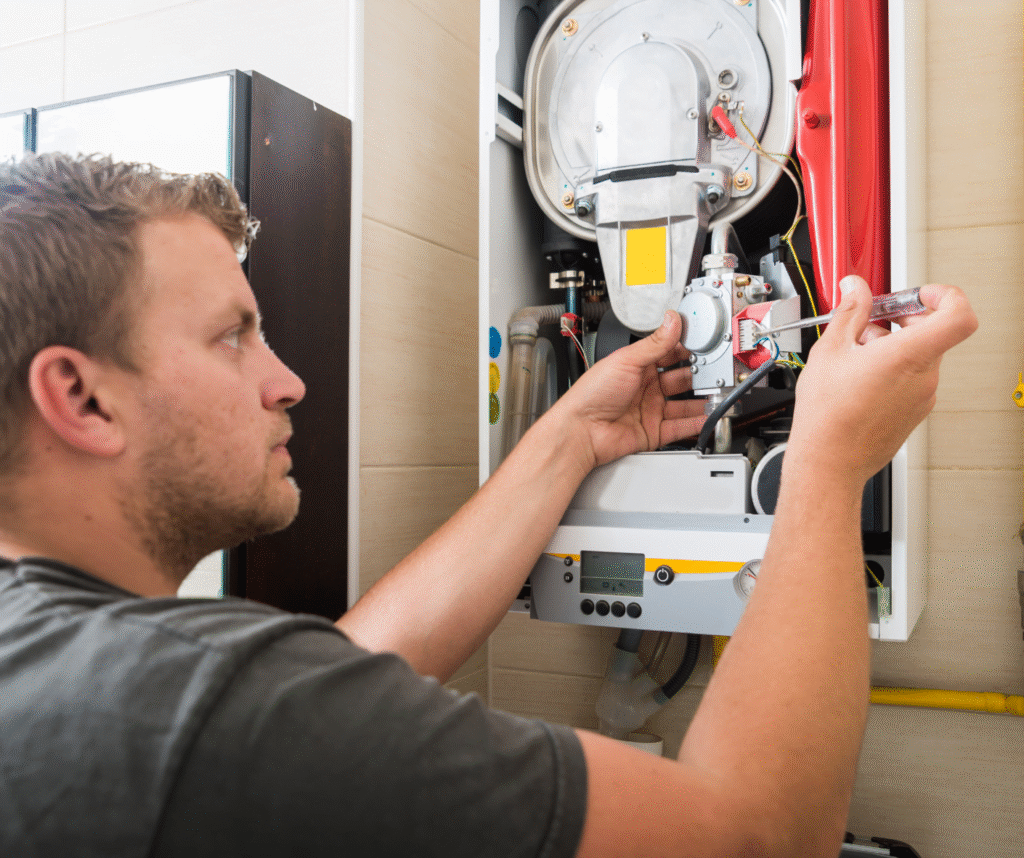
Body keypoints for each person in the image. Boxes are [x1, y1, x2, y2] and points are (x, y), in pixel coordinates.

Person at [0, 152, 976, 858]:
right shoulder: (193, 708)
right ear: (80, 397)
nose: (289, 380)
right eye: (232, 337)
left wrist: (572, 436)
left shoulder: (69, 662)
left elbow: (348, 669)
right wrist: (828, 459)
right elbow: (759, 837)